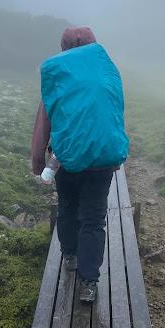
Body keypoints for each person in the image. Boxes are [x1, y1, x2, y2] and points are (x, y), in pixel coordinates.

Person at [31, 26, 128, 303]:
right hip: (100, 163)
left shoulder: (58, 78)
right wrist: (116, 155)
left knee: (69, 208)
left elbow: (44, 122)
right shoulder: (107, 74)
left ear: (63, 48)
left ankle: (70, 255)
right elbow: (114, 115)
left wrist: (39, 163)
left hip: (65, 160)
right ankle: (89, 282)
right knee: (94, 220)